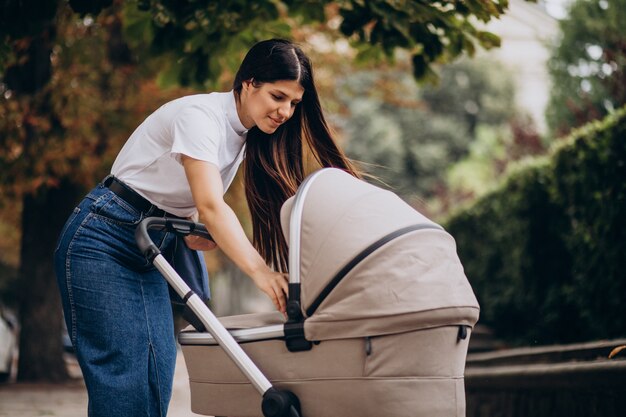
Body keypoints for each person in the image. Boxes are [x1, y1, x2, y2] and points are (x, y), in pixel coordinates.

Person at [53, 38, 360, 417]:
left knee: (157, 369)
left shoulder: (244, 138)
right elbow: (212, 205)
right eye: (278, 96)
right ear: (248, 83)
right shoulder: (200, 117)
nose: (285, 112)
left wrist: (190, 227)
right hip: (103, 238)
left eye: (294, 104)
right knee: (126, 378)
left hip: (150, 243)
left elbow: (189, 201)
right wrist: (261, 273)